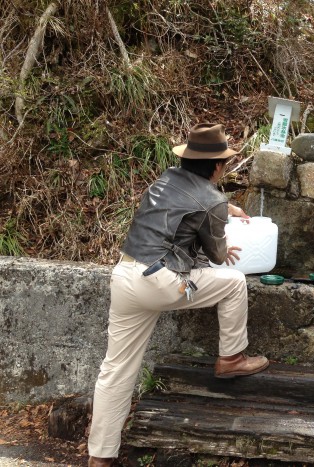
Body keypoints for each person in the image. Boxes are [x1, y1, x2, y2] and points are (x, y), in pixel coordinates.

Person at [88, 123, 269, 466]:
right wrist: (223, 227)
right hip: (161, 281)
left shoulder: (165, 179)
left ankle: (99, 457)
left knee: (115, 370)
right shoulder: (213, 199)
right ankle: (231, 358)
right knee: (233, 281)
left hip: (126, 273)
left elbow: (187, 204)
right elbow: (217, 256)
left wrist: (224, 207)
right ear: (217, 166)